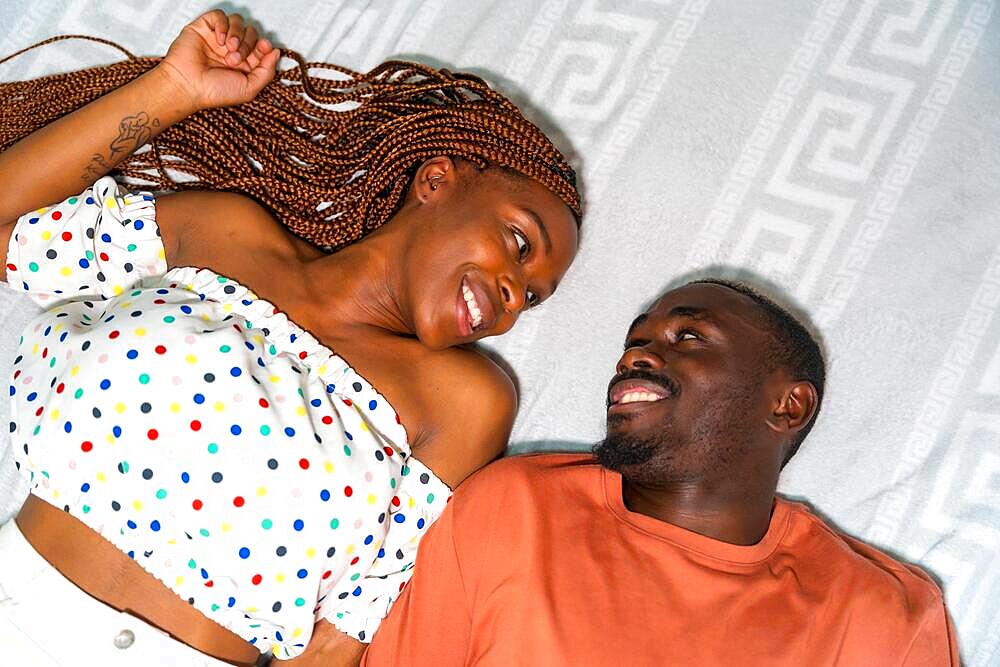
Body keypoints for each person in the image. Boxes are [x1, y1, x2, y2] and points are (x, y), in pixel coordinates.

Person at [0, 10, 580, 666]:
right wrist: (173, 90)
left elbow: (340, 639)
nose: (513, 293)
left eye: (531, 295)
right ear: (436, 181)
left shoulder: (462, 400)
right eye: (518, 242)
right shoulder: (223, 235)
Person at [362, 279, 959, 666]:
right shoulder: (514, 508)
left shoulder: (880, 615)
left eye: (690, 336)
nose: (634, 356)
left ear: (788, 405)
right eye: (636, 339)